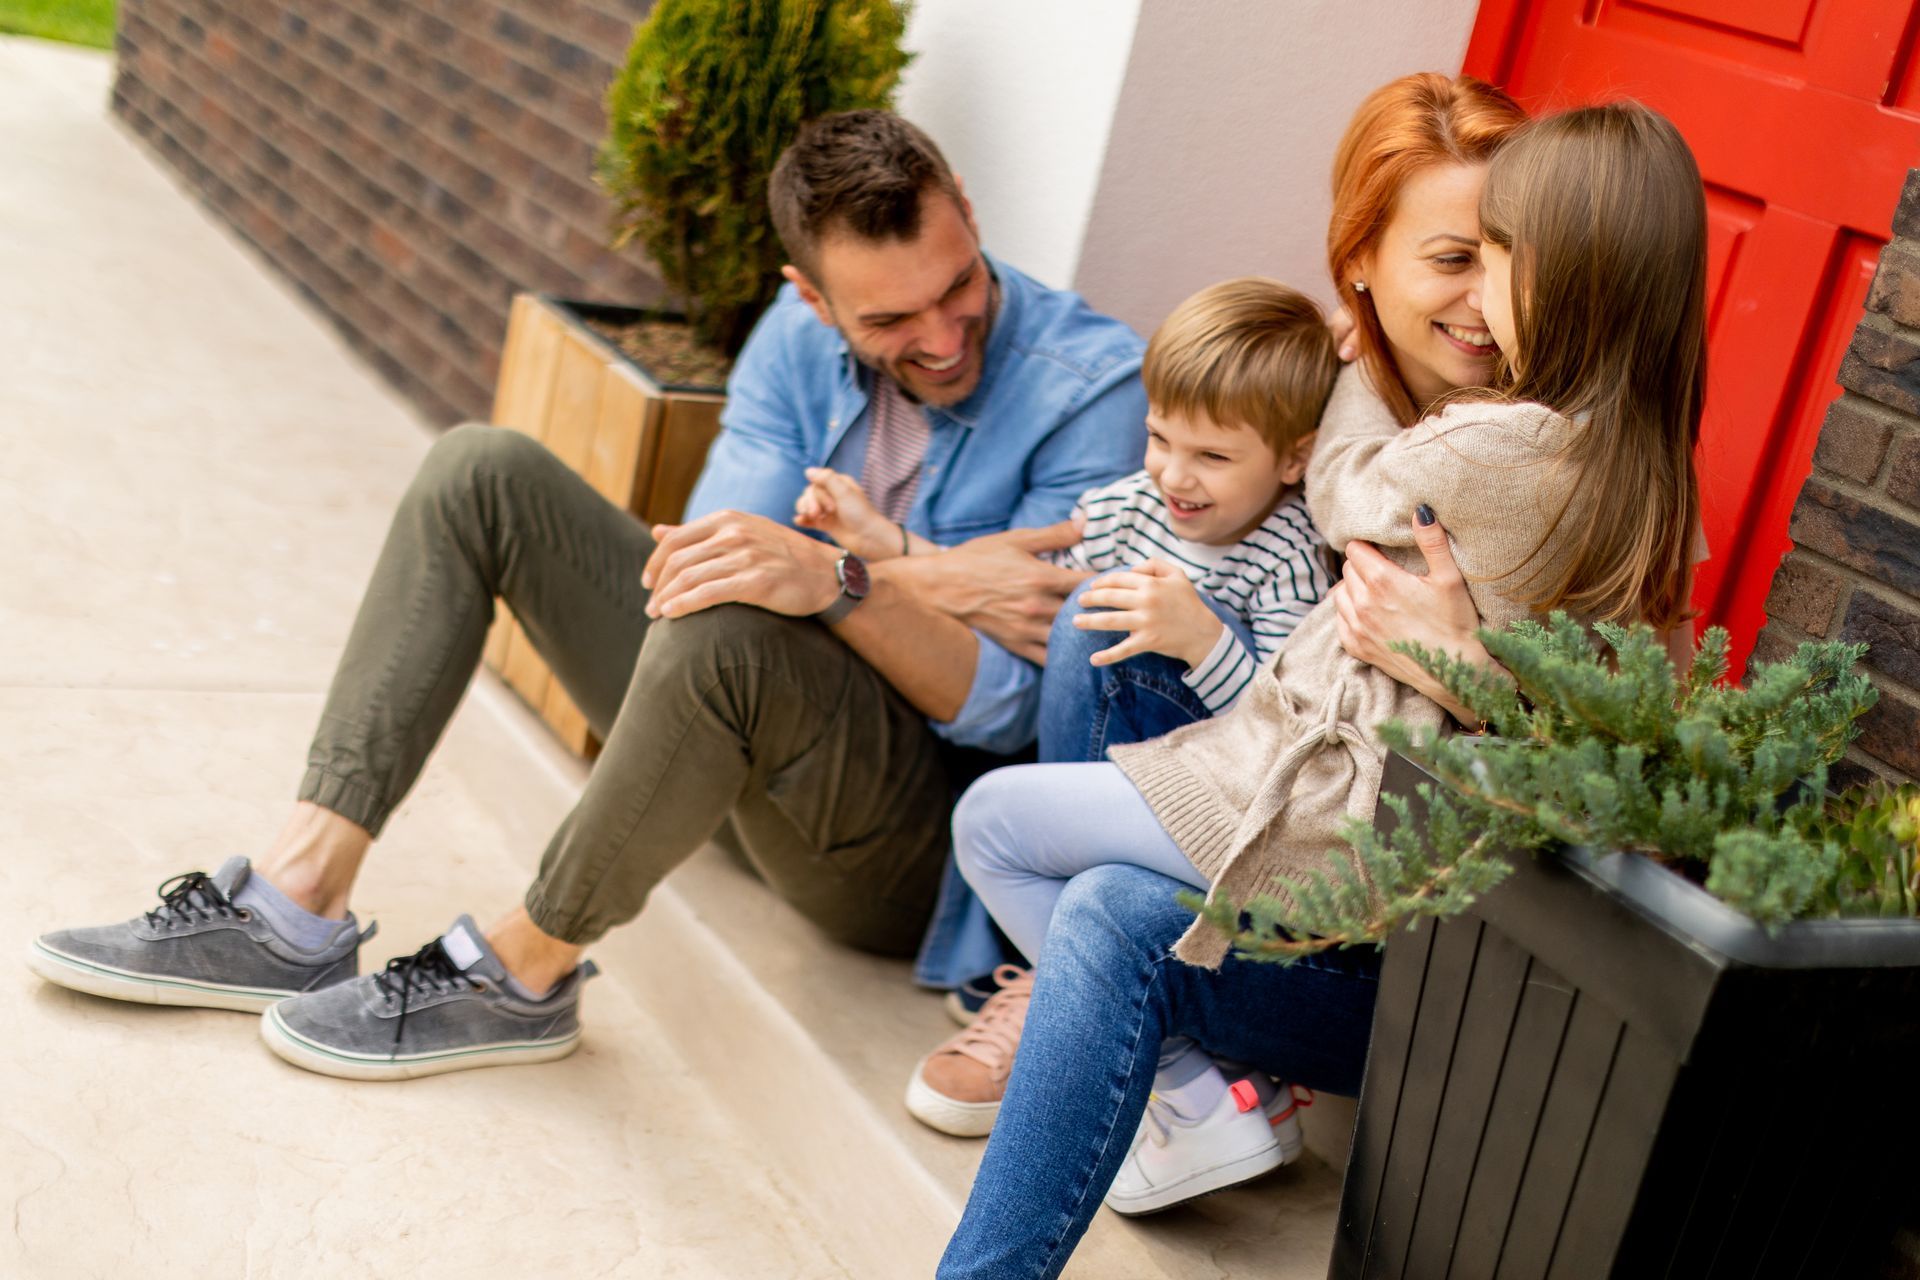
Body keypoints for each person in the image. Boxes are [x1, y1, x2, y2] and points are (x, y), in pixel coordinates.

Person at [27, 110, 1150, 1081]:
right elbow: (696, 568)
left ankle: (525, 968)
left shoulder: (1089, 386)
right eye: (891, 323)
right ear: (808, 295)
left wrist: (836, 576)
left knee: (740, 626)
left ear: (965, 204)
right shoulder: (791, 345)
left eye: (956, 286)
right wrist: (904, 575)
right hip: (733, 752)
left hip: (895, 842)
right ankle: (293, 895)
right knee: (480, 470)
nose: (944, 337)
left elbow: (1012, 704)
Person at [939, 89, 1711, 1277]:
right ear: (1362, 264)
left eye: (1496, 254)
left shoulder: (1497, 444)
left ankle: (1169, 1087)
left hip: (1394, 909)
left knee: (1033, 829)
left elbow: (1616, 746)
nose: (1476, 295)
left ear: (1572, 278)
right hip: (1379, 869)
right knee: (1100, 887)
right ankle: (1168, 1098)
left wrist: (1467, 671)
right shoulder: (1619, 464)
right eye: (1452, 254)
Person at [794, 278, 1345, 1136]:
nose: (1173, 474)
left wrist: (1204, 638)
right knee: (1083, 616)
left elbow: (1281, 738)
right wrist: (877, 544)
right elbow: (993, 575)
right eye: (1160, 436)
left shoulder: (1288, 557)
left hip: (1210, 809)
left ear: (1294, 459)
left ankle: (1085, 1002)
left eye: (1212, 456)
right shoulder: (1138, 504)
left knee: (1098, 622)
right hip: (1106, 780)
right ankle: (1069, 989)